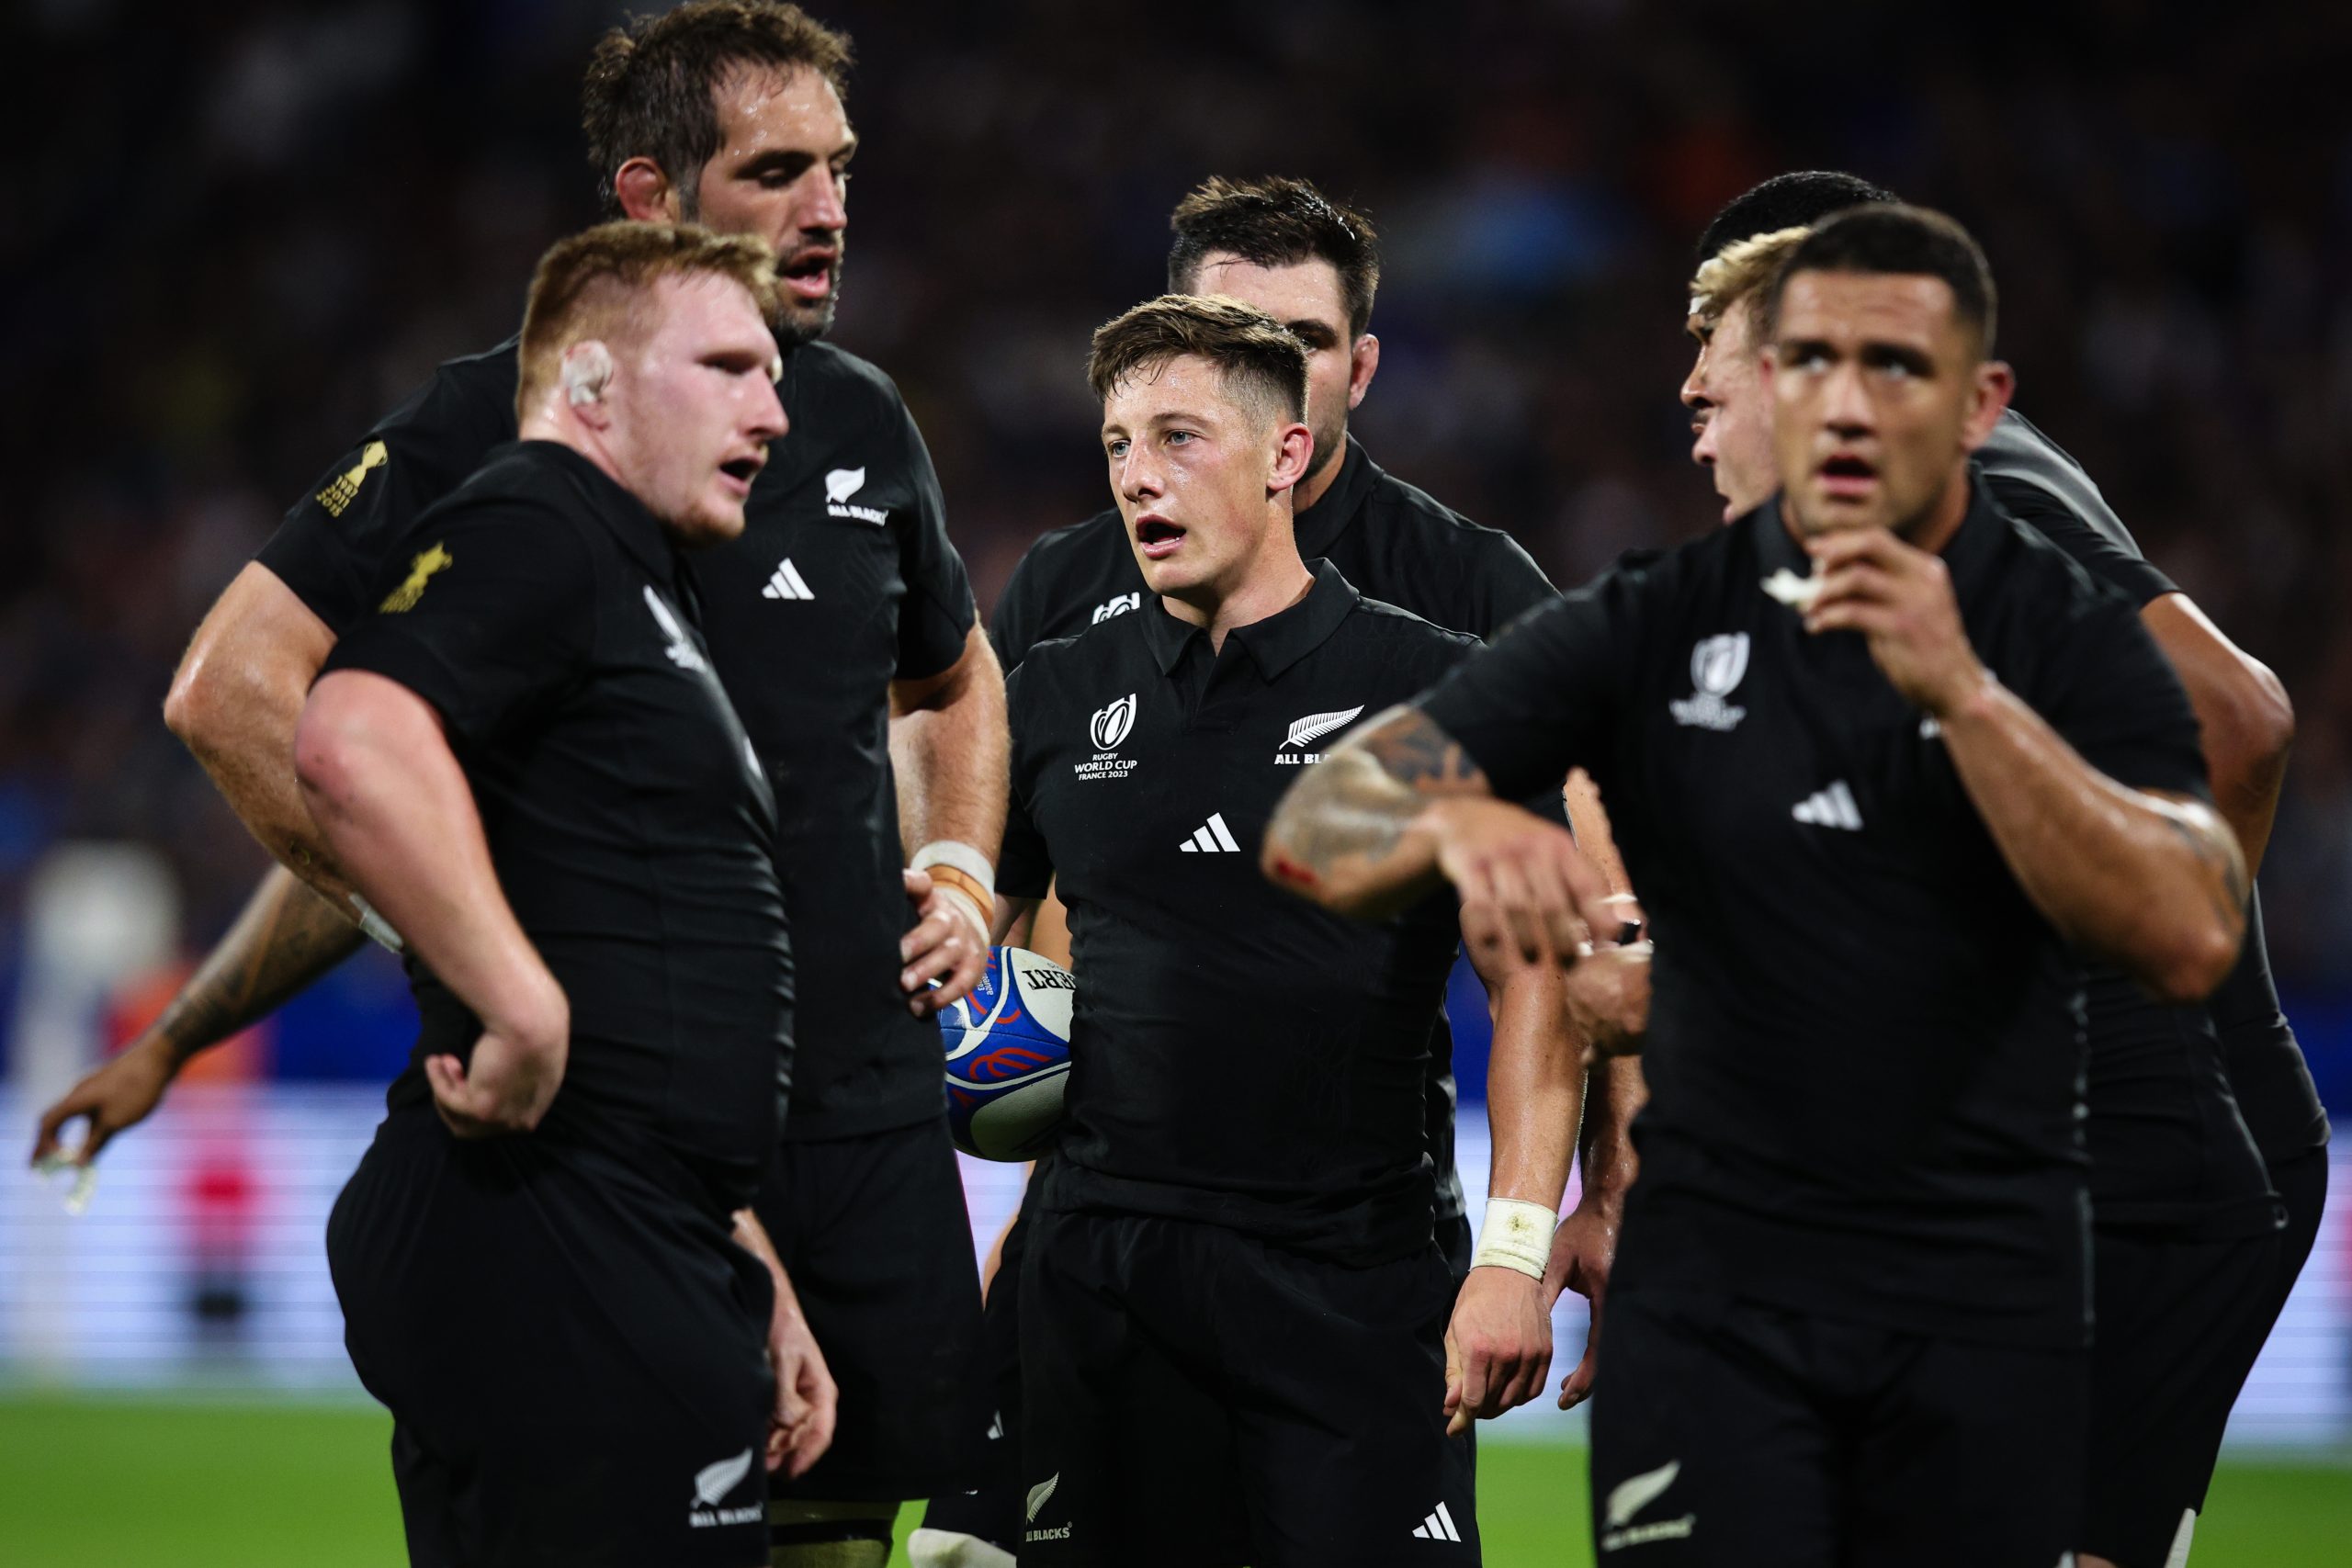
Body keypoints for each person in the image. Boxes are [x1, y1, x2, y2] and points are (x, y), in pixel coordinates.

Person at [31, 6, 1006, 1564]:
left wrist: (959, 863)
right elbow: (244, 697)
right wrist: (472, 958)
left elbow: (952, 674)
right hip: (602, 1144)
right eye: (777, 170)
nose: (830, 207)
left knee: (831, 1528)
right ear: (649, 195)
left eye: (841, 166)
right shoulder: (522, 452)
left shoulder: (856, 419)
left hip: (839, 1125)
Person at [1263, 205, 2251, 1565]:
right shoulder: (1644, 624)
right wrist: (1466, 828)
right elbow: (1323, 821)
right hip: (1717, 1309)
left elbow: (2192, 928)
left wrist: (1962, 698)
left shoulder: (2052, 635)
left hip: (1967, 1310)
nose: (1702, 404)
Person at [921, 177, 1634, 1566]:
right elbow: (969, 935)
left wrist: (1511, 1253)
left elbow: (1544, 970)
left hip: (1351, 1283)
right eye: (1121, 441)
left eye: (1178, 439)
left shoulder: (1430, 684)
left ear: (1286, 450)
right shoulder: (1059, 679)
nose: (1137, 474)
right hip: (1106, 1281)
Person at [1681, 170, 2326, 1568]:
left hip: (2145, 1152)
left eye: (1723, 337)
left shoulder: (1984, 485)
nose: (1696, 383)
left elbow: (2239, 721)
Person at [296, 220, 798, 1568]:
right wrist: (516, 1001)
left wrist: (741, 1249)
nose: (775, 407)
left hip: (619, 1220)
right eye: (730, 367)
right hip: (553, 1224)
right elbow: (349, 733)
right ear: (589, 386)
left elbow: (639, 938)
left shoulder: (633, 579)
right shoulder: (541, 518)